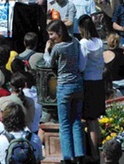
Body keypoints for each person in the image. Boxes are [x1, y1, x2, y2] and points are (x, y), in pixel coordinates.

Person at [43, 20, 85, 163]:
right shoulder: (74, 41)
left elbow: (49, 63)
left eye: (52, 34)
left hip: (64, 86)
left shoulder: (58, 48)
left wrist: (46, 50)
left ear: (59, 32)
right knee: (76, 120)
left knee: (65, 123)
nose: (50, 37)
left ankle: (68, 157)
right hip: (78, 84)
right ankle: (79, 155)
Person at [77, 14, 105, 161]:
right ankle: (97, 153)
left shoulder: (84, 43)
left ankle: (93, 154)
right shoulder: (99, 41)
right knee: (95, 121)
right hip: (99, 81)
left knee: (89, 120)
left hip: (88, 82)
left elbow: (81, 66)